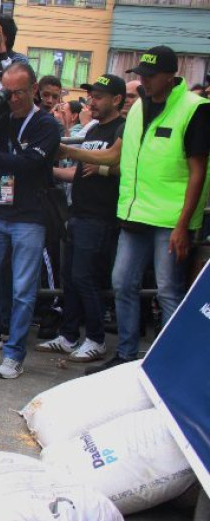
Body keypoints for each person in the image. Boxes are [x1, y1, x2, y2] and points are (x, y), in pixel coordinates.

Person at [59, 46, 210, 375]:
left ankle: (171, 363)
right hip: (134, 213)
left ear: (170, 77)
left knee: (168, 291)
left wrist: (184, 225)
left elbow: (199, 171)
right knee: (122, 283)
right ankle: (126, 356)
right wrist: (67, 151)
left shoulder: (194, 108)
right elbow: (116, 156)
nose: (144, 81)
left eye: (150, 76)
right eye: (141, 75)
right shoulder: (139, 107)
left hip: (170, 220)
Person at [0, 62, 61, 379]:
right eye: (8, 92)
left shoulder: (46, 125)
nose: (13, 99)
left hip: (29, 217)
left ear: (34, 90)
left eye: (19, 92)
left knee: (22, 289)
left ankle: (15, 353)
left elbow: (27, 164)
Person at [40, 74, 126, 363]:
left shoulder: (122, 128)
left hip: (100, 216)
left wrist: (97, 165)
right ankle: (68, 336)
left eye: (99, 97)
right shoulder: (93, 130)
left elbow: (122, 165)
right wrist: (48, 170)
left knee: (86, 278)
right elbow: (78, 171)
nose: (92, 102)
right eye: (91, 96)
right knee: (71, 278)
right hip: (78, 212)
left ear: (116, 99)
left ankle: (96, 339)